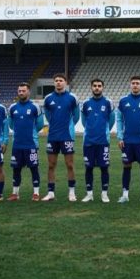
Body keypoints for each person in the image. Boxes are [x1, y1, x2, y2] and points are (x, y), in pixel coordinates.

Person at [115, 76, 140, 204]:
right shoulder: (123, 100)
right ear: (130, 85)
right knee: (126, 166)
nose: (135, 85)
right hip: (127, 140)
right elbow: (119, 120)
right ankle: (125, 194)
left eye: (137, 83)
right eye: (133, 83)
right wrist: (120, 137)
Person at [42, 73, 80, 202]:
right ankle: (51, 192)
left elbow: (76, 116)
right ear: (54, 83)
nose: (58, 82)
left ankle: (72, 192)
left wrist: (68, 127)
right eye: (56, 80)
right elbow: (47, 115)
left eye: (61, 80)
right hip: (52, 136)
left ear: (65, 83)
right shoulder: (48, 98)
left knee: (69, 164)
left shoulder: (72, 98)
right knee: (51, 165)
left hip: (67, 136)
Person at [7, 82, 44, 201]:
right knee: (16, 169)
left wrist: (31, 133)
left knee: (34, 168)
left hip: (31, 144)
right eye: (19, 91)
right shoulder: (12, 107)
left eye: (23, 91)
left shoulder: (35, 107)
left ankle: (36, 193)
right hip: (17, 144)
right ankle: (15, 193)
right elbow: (11, 125)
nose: (21, 93)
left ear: (28, 92)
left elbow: (40, 124)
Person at [81, 78, 115, 203]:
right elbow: (84, 121)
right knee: (88, 168)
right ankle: (89, 194)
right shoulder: (85, 103)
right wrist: (90, 130)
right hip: (88, 141)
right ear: (91, 87)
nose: (97, 87)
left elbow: (111, 120)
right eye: (94, 85)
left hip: (103, 141)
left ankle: (104, 194)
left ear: (103, 87)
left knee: (104, 168)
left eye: (99, 86)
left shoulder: (108, 103)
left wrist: (104, 131)